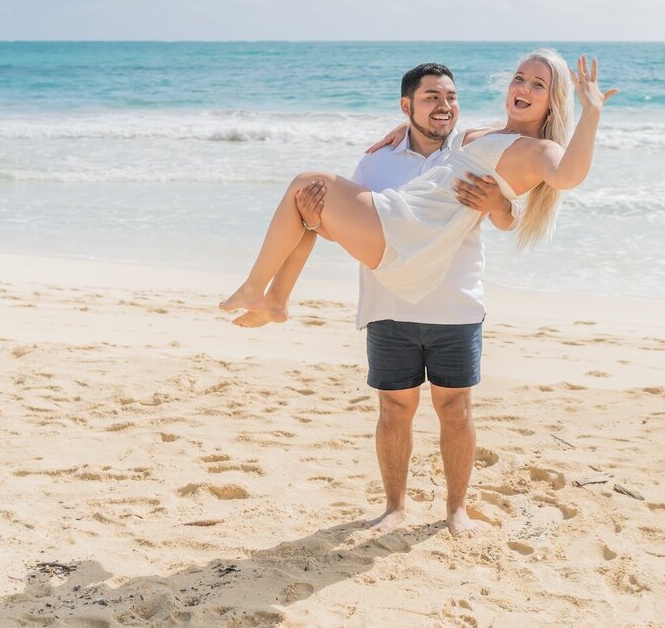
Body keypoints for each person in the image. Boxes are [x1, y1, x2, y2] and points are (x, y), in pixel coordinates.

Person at [220, 49, 618, 536]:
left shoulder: (542, 153)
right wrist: (402, 131)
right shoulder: (478, 136)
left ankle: (260, 290)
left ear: (554, 101)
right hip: (404, 237)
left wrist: (592, 111)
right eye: (520, 78)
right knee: (310, 201)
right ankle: (275, 298)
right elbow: (449, 142)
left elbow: (569, 176)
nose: (525, 87)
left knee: (307, 182)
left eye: (539, 84)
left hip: (414, 242)